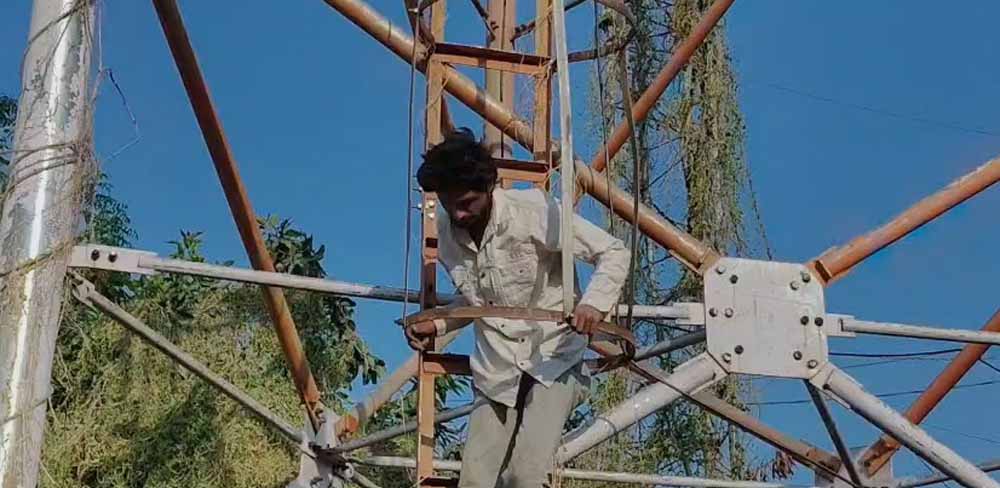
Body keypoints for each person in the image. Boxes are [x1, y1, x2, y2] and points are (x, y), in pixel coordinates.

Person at [405, 128, 630, 488]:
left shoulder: (534, 211)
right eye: (449, 204)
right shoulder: (446, 234)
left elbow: (613, 252)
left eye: (467, 203)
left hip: (554, 358)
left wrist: (593, 304)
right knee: (474, 481)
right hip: (497, 367)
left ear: (488, 187)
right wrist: (440, 324)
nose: (459, 213)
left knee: (524, 477)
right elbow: (481, 300)